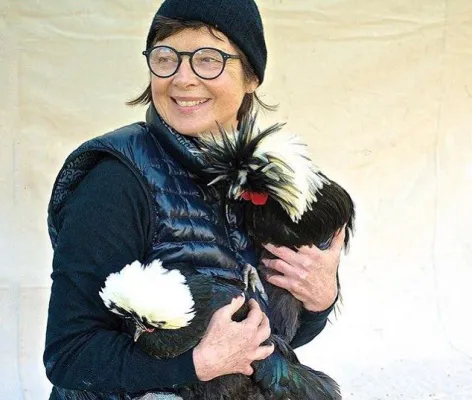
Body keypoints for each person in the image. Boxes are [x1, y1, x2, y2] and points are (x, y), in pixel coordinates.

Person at [44, 0, 344, 399]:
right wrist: (197, 363)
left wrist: (320, 299)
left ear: (251, 76)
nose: (182, 78)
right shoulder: (117, 181)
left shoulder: (262, 180)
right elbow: (69, 356)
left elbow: (267, 340)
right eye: (165, 58)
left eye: (208, 60)